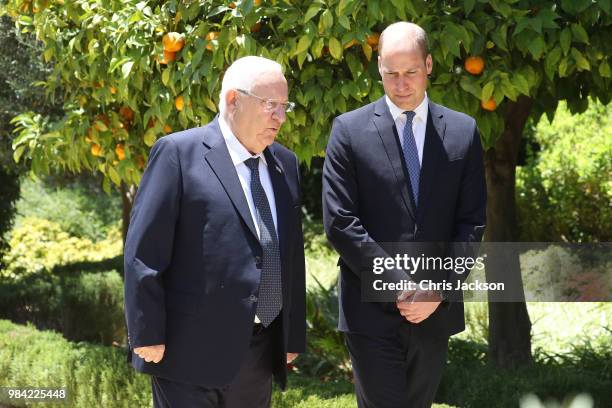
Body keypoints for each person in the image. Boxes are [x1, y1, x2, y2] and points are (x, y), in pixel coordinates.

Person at [124, 56, 306, 408]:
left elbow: (290, 255)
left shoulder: (286, 163)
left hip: (259, 351)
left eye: (285, 107)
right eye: (271, 106)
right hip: (187, 352)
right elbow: (144, 252)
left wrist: (292, 334)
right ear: (234, 100)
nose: (280, 118)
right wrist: (146, 333)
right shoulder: (178, 153)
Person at [322, 22, 487, 407]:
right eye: (390, 73)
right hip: (370, 311)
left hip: (435, 311)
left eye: (410, 71)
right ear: (378, 67)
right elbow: (340, 222)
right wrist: (401, 285)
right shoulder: (348, 131)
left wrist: (438, 290)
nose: (401, 83)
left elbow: (472, 222)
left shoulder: (463, 132)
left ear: (428, 64)